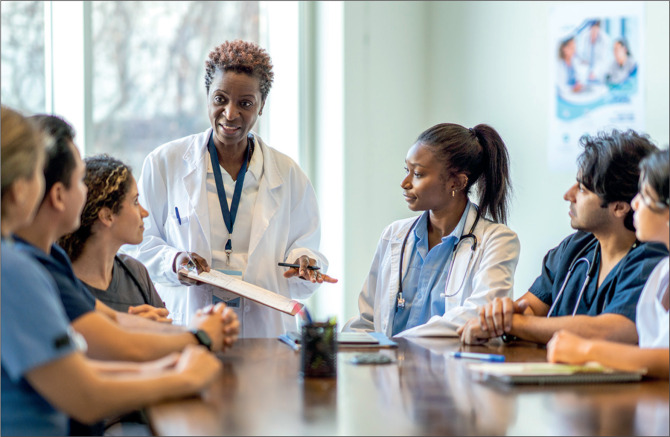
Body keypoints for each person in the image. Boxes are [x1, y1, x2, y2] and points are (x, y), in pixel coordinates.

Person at [1, 105, 222, 436]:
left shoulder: (32, 264)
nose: (86, 190)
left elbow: (88, 362)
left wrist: (168, 364)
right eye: (79, 180)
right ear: (21, 189)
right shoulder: (16, 270)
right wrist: (187, 366)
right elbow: (85, 393)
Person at [125, 39, 337, 337]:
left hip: (264, 332)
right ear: (207, 97)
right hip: (189, 324)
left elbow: (305, 248)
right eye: (220, 99)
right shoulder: (164, 163)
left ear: (261, 106)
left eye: (245, 103)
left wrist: (305, 262)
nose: (230, 113)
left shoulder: (288, 174)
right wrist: (174, 262)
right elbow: (135, 245)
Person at [14, 113, 239, 363]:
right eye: (78, 180)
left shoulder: (53, 261)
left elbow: (113, 322)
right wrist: (199, 338)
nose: (85, 192)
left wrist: (154, 328)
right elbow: (92, 376)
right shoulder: (24, 270)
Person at [459, 130, 669, 345]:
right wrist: (503, 315)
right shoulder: (577, 245)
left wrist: (513, 324)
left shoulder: (652, 259)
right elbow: (531, 307)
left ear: (619, 207)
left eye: (582, 189)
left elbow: (615, 329)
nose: (568, 195)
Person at [343, 123, 520, 337]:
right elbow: (369, 321)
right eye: (406, 170)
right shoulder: (394, 235)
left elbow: (479, 316)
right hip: (390, 368)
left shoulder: (498, 241)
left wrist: (395, 343)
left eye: (417, 174)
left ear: (456, 182)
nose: (404, 183)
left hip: (452, 368)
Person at [547, 148, 669, 379]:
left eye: (644, 196)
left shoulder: (648, 263)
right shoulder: (662, 273)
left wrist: (586, 349)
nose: (634, 204)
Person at [58, 154, 170, 322]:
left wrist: (158, 329)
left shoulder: (135, 272)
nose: (144, 213)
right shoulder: (60, 284)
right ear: (107, 216)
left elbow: (169, 337)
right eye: (135, 201)